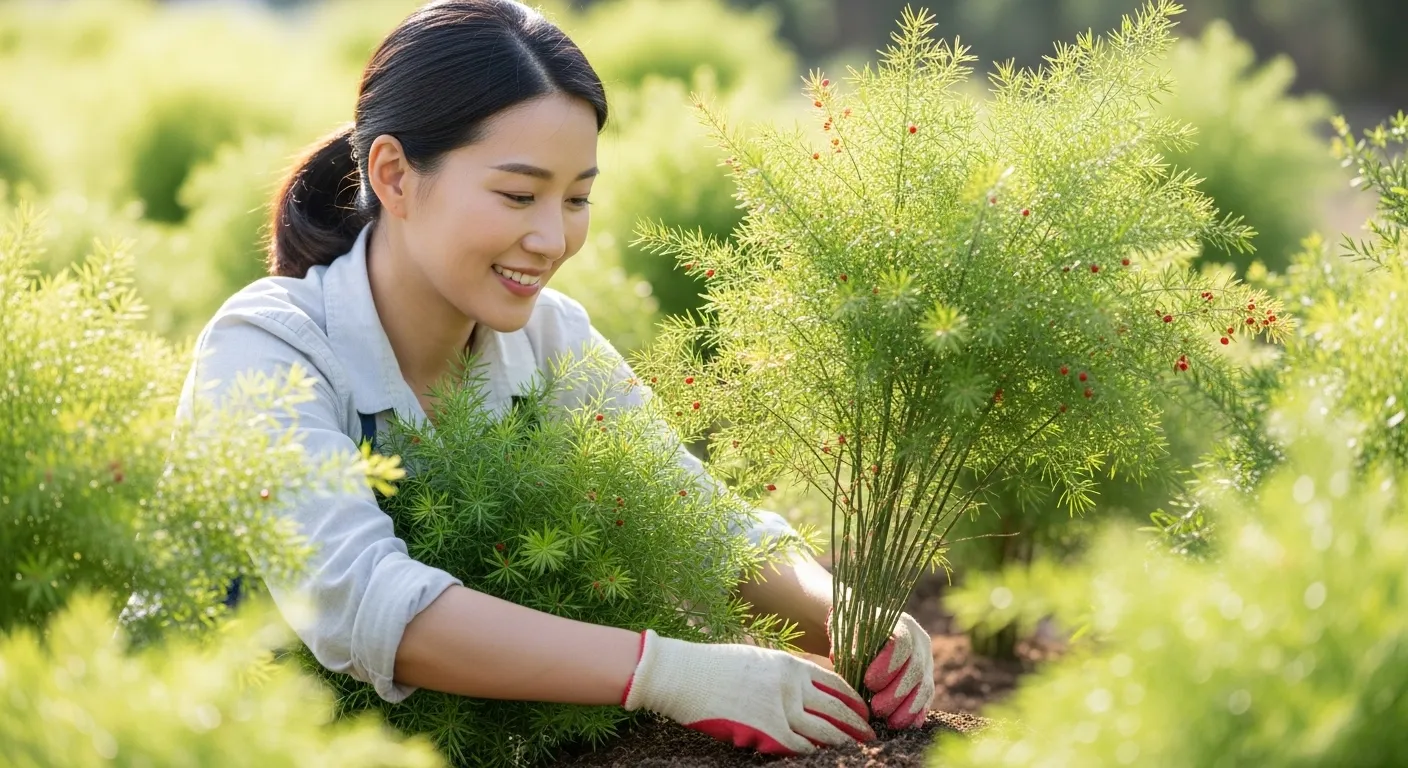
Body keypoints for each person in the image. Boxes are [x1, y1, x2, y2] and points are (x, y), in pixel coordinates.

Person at [178, 0, 933, 756]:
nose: (550, 238)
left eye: (576, 199)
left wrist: (846, 613)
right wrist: (671, 671)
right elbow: (366, 608)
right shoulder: (268, 349)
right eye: (518, 195)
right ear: (395, 175)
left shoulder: (550, 336)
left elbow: (694, 516)